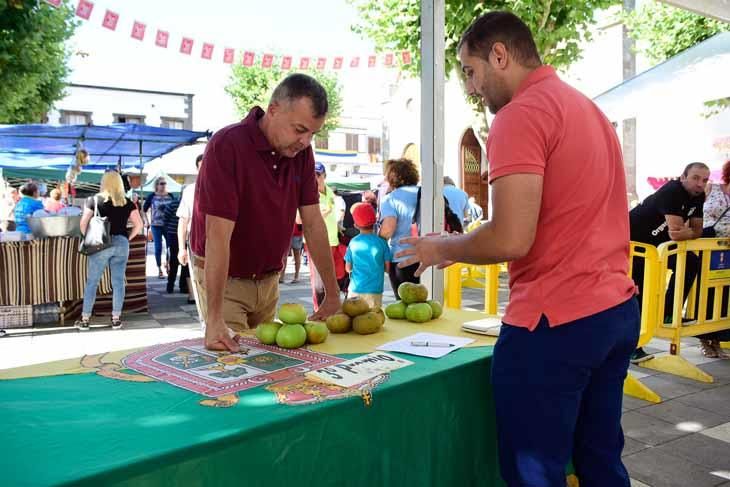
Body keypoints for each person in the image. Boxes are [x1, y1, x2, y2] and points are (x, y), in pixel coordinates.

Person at [396, 12, 638, 487]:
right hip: (614, 309)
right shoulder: (584, 108)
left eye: (470, 70)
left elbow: (511, 237)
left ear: (500, 55)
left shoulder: (519, 115)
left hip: (556, 321)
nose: (470, 87)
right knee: (601, 459)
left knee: (536, 473)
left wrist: (443, 249)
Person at [191, 73, 340, 352]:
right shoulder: (228, 145)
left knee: (265, 365)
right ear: (273, 110)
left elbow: (313, 222)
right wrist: (214, 318)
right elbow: (217, 235)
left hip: (270, 281)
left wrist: (332, 294)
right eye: (299, 129)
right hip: (226, 282)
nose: (306, 141)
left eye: (312, 133)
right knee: (232, 366)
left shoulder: (302, 154)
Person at [629, 162, 709, 363]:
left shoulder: (698, 196)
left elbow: (697, 231)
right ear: (683, 177)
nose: (700, 184)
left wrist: (686, 232)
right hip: (634, 244)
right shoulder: (672, 191)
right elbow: (675, 232)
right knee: (639, 293)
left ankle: (668, 313)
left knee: (691, 262)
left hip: (659, 247)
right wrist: (685, 232)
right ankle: (632, 346)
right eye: (696, 178)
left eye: (705, 180)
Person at [75, 171, 143, 330]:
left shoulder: (94, 200)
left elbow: (83, 223)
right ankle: (116, 318)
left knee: (93, 281)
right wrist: (128, 238)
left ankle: (85, 319)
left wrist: (89, 238)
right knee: (118, 282)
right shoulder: (127, 202)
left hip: (101, 243)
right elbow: (139, 225)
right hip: (121, 243)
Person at [696, 159, 730, 358]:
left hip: (727, 251)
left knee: (723, 295)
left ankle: (717, 340)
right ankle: (703, 339)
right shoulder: (712, 188)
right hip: (707, 245)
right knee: (705, 292)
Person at [378, 158, 421, 294]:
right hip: (429, 254)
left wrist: (378, 239)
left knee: (405, 305)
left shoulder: (391, 198)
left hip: (403, 258)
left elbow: (388, 230)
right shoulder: (426, 192)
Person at [307, 162, 343, 309]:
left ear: (324, 176)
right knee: (319, 284)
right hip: (316, 242)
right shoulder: (308, 194)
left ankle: (332, 309)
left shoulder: (331, 194)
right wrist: (321, 214)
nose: (315, 178)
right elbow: (298, 219)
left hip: (333, 241)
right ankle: (319, 311)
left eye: (318, 175)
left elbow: (338, 214)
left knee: (333, 279)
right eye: (312, 175)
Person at [344, 203, 391, 309]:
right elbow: (387, 269)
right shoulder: (382, 242)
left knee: (356, 320)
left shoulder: (353, 242)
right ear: (374, 222)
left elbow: (348, 268)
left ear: (355, 225)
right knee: (372, 321)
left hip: (355, 289)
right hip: (375, 290)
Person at [177, 154, 203, 305]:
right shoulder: (190, 191)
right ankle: (194, 296)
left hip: (219, 240)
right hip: (196, 239)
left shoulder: (225, 187)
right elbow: (183, 220)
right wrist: (181, 248)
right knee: (196, 274)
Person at [143, 177, 175, 279]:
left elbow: (175, 208)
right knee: (158, 248)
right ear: (156, 185)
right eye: (161, 183)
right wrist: (146, 221)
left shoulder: (170, 196)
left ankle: (168, 264)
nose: (163, 185)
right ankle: (159, 269)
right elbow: (143, 210)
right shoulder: (152, 196)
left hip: (168, 225)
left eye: (165, 183)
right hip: (156, 225)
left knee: (170, 247)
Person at [162, 193, 188, 295]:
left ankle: (176, 286)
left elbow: (165, 220)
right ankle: (175, 285)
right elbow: (165, 219)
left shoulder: (174, 204)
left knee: (178, 263)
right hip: (175, 236)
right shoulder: (173, 204)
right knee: (176, 263)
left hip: (177, 236)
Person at [281, 219, 304, 284]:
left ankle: (282, 277)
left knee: (285, 255)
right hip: (296, 232)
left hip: (291, 232)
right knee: (295, 255)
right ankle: (296, 277)